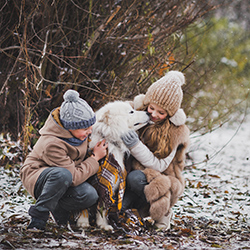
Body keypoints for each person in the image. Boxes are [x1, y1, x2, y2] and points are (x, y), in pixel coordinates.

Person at [20, 89, 108, 231]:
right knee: (63, 175)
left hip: (64, 176)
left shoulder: (78, 134)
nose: (90, 131)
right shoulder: (52, 143)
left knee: (89, 195)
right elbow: (72, 177)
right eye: (85, 128)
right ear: (70, 127)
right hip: (38, 177)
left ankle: (58, 209)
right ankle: (39, 217)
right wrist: (95, 158)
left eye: (90, 126)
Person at [121, 70, 190, 230]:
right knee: (121, 205)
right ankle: (132, 208)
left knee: (135, 178)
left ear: (171, 115)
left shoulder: (175, 132)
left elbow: (159, 166)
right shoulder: (138, 113)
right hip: (131, 172)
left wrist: (135, 145)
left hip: (160, 178)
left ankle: (164, 211)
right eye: (151, 108)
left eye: (161, 112)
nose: (154, 114)